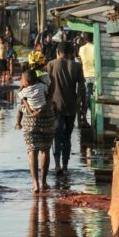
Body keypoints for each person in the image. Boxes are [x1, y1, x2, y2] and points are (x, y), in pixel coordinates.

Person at [46, 42, 86, 174]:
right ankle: (65, 167)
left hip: (55, 106)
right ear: (71, 52)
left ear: (58, 51)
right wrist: (82, 105)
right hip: (71, 106)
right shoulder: (77, 66)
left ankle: (57, 165)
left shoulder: (51, 65)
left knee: (56, 135)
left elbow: (46, 85)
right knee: (67, 137)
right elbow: (81, 88)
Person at [15, 69, 55, 193]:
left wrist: (29, 114)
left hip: (29, 122)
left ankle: (35, 184)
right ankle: (43, 183)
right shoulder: (43, 85)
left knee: (32, 151)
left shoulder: (23, 91)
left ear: (26, 81)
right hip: (47, 120)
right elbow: (49, 94)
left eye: (22, 79)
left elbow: (21, 103)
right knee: (45, 150)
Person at [78, 32, 96, 121]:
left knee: (86, 97)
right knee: (94, 96)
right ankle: (93, 114)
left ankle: (85, 116)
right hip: (95, 75)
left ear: (84, 39)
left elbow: (81, 62)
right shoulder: (96, 48)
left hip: (86, 75)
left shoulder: (81, 49)